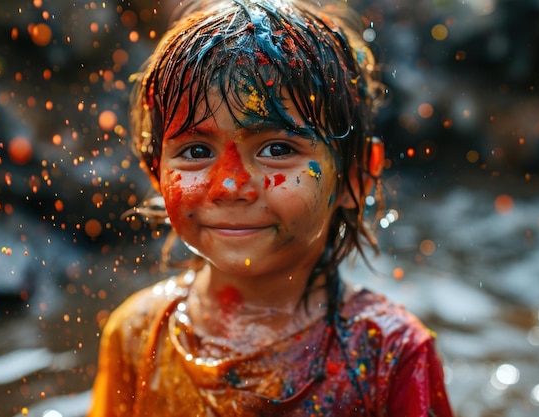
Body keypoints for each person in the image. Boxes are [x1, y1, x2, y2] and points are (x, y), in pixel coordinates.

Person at [87, 0, 454, 415]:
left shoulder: (390, 354)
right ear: (156, 173)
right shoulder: (136, 335)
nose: (230, 186)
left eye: (277, 149)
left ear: (355, 178)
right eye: (195, 150)